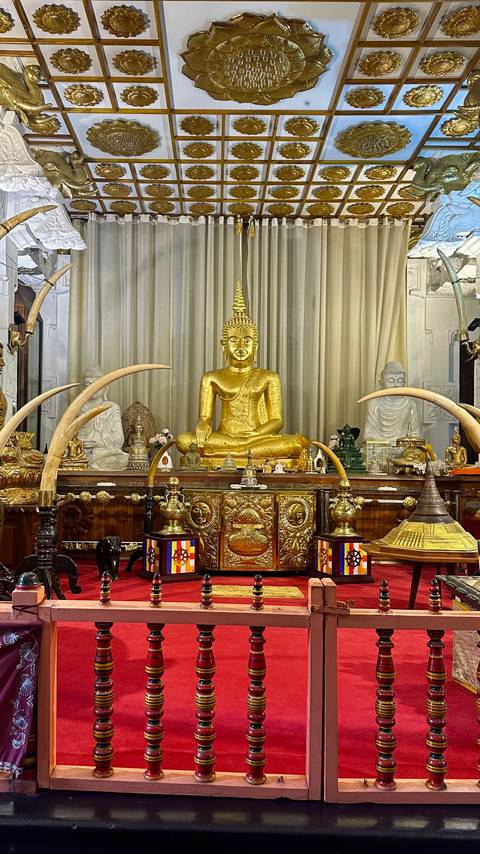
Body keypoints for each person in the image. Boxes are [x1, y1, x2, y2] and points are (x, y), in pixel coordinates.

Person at [176, 282, 308, 467]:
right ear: (223, 346)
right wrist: (203, 425)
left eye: (247, 341)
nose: (240, 347)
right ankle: (243, 452)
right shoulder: (212, 377)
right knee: (183, 440)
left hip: (257, 437)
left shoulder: (269, 377)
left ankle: (237, 451)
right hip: (224, 438)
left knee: (294, 443)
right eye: (233, 340)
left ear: (256, 347)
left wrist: (257, 434)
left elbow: (277, 420)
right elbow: (205, 417)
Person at [77, 365, 128, 470]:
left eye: (96, 384)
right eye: (88, 384)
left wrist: (97, 443)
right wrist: (79, 443)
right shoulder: (76, 408)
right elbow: (67, 437)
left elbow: (119, 439)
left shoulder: (111, 407)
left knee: (120, 459)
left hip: (103, 452)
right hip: (80, 452)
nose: (91, 388)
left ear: (105, 387)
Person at [363, 361, 421, 443]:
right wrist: (389, 443)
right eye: (391, 381)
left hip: (403, 449)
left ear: (404, 382)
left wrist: (401, 444)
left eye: (400, 381)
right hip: (381, 449)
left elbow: (415, 434)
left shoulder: (410, 404)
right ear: (381, 382)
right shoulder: (374, 403)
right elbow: (367, 435)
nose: (396, 384)